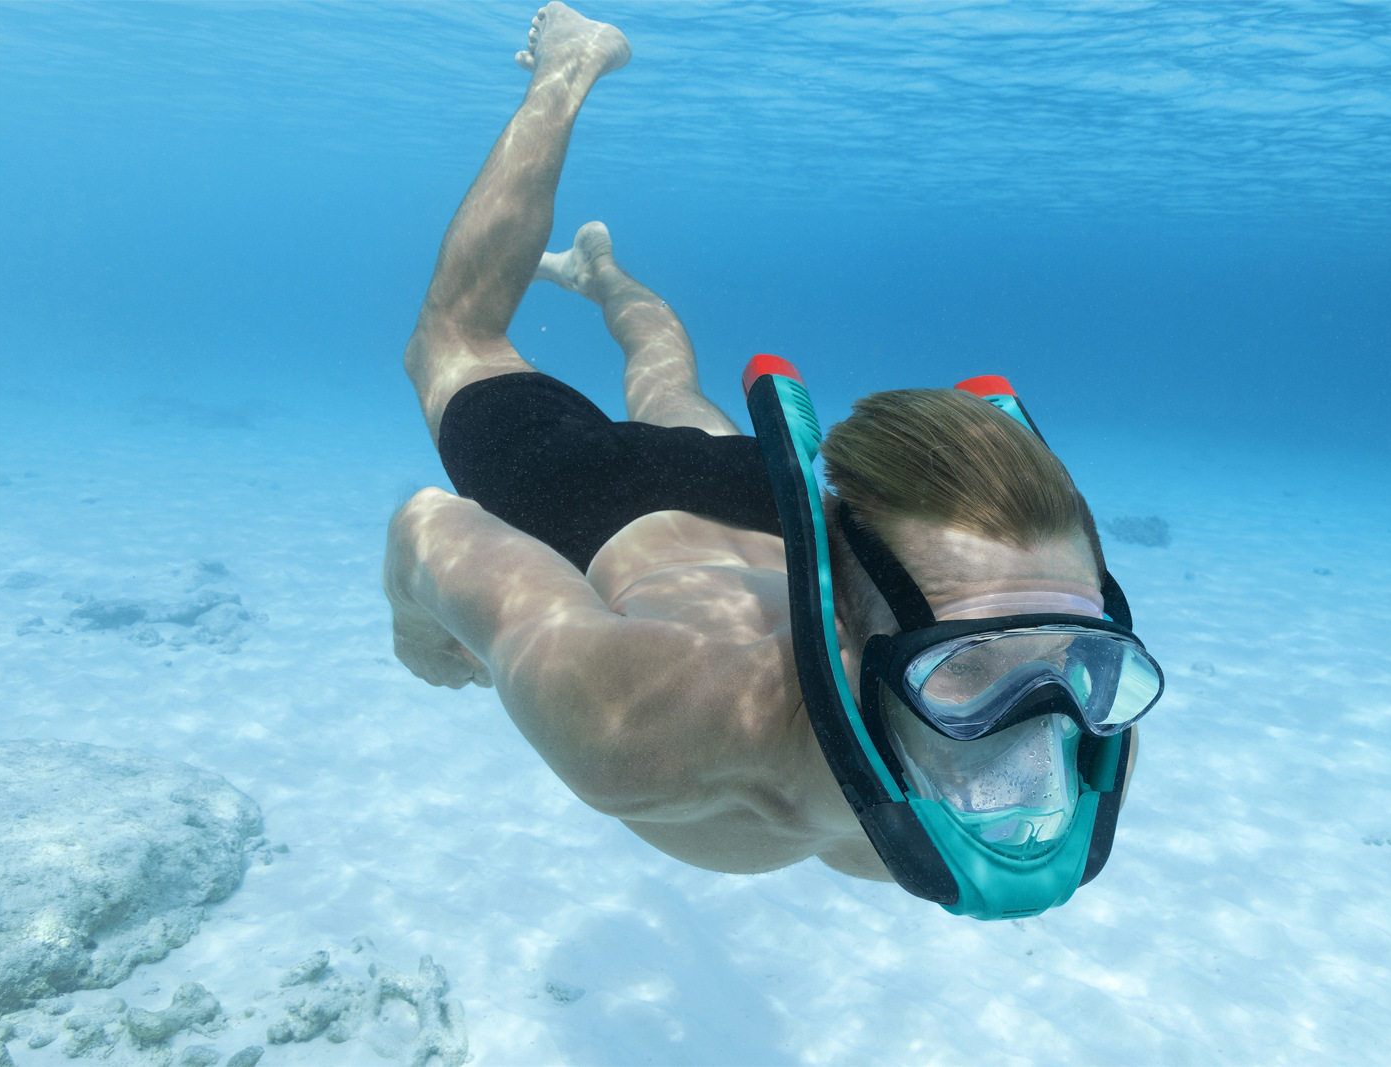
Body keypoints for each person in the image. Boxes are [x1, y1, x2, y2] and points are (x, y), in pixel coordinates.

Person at [385, 2, 1157, 916]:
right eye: (966, 670)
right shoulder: (634, 719)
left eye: (1080, 661)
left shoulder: (1091, 725)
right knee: (454, 341)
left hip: (759, 501)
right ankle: (572, 64)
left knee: (667, 378)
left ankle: (601, 274)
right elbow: (426, 525)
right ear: (837, 634)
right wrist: (422, 635)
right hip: (594, 500)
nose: (1041, 746)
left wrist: (1015, 668)